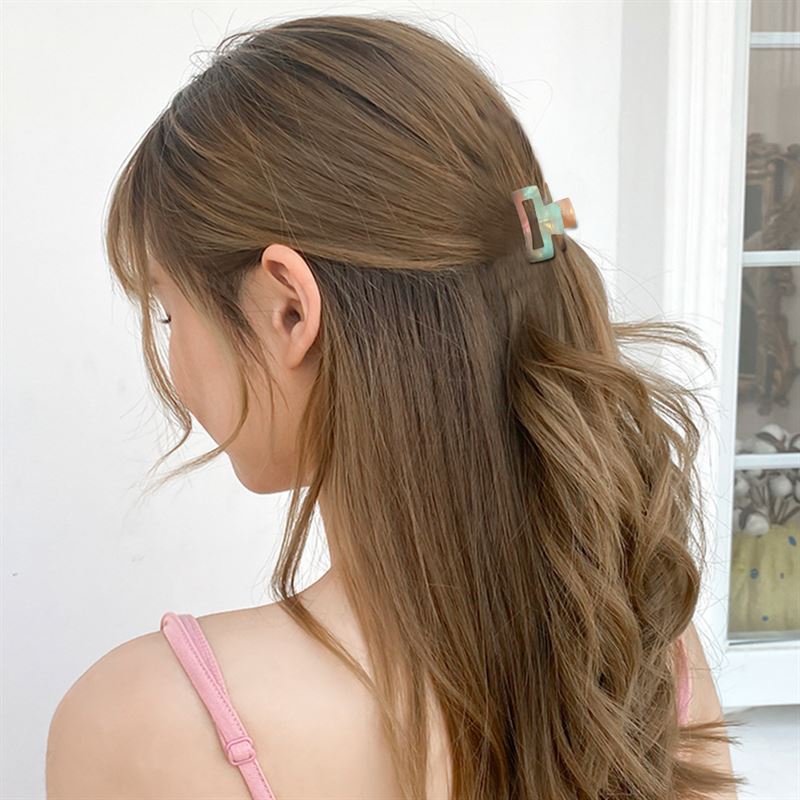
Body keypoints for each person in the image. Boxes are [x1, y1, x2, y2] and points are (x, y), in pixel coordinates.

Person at [46, 14, 745, 800]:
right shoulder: (646, 652)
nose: (173, 364)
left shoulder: (153, 721)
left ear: (288, 309)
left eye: (170, 312)